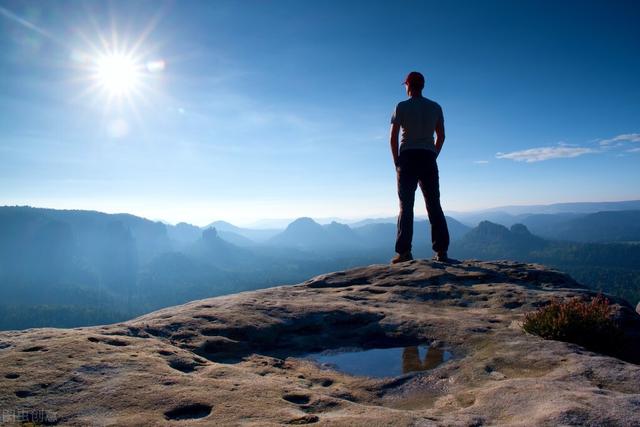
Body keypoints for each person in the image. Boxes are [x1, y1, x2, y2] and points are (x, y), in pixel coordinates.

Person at [390, 71, 450, 263]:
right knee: (434, 205)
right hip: (427, 157)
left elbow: (393, 137)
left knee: (405, 207)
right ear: (422, 86)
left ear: (408, 85)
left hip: (407, 157)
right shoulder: (435, 107)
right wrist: (433, 154)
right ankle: (441, 251)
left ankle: (404, 252)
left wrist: (396, 161)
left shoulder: (401, 107)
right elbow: (441, 136)